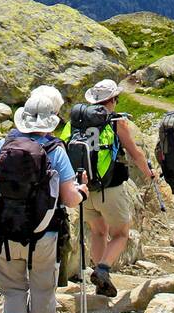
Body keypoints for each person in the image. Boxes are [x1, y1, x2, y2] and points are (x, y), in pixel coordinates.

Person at [0, 86, 86, 313]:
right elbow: (69, 198)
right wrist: (83, 191)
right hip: (44, 233)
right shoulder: (55, 150)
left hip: (4, 231)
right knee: (43, 287)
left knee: (12, 288)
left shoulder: (1, 146)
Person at [65, 79, 154, 298]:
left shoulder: (76, 122)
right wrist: (149, 173)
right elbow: (134, 152)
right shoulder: (116, 122)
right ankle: (103, 269)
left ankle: (99, 277)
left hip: (83, 189)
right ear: (112, 100)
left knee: (98, 231)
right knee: (121, 233)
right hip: (110, 188)